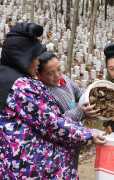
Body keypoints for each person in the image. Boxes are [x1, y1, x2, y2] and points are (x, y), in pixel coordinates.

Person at [0, 23, 106, 179]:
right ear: (23, 58)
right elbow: (52, 124)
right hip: (35, 167)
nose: (37, 63)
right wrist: (88, 135)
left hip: (14, 161)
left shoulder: (6, 79)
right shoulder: (22, 87)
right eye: (35, 58)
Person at [36, 51, 101, 170]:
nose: (57, 75)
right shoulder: (44, 92)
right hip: (62, 140)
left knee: (73, 167)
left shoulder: (64, 79)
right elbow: (58, 120)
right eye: (51, 73)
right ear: (39, 74)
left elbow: (79, 93)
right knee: (64, 169)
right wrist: (81, 111)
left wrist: (92, 93)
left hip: (77, 136)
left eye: (59, 69)